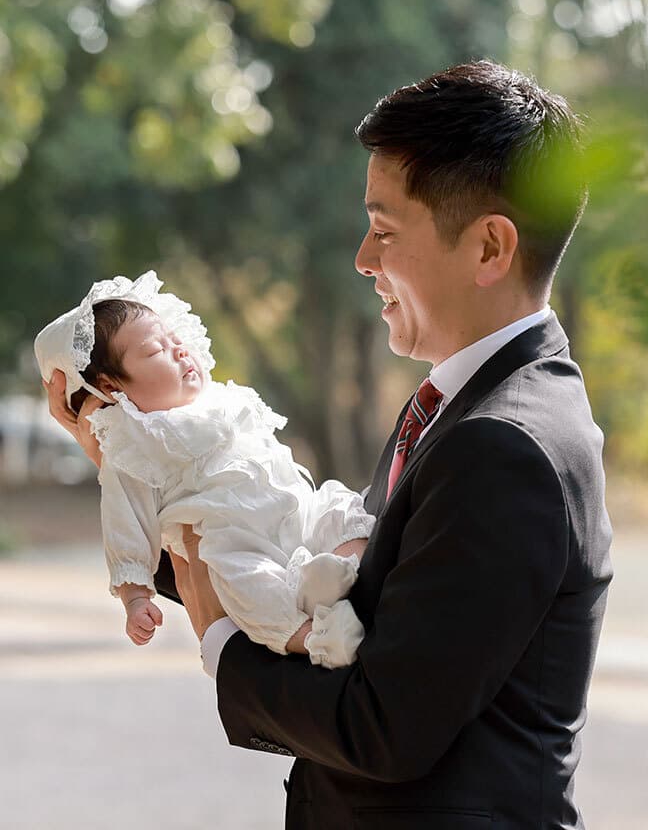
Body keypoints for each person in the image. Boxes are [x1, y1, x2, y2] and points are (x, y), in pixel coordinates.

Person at [46, 60, 613, 829]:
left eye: (384, 230)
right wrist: (140, 468)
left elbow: (382, 728)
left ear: (489, 249)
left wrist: (221, 642)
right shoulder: (467, 403)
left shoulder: (504, 443)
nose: (362, 259)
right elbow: (318, 574)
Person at [36, 272, 374, 668]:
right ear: (112, 388)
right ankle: (318, 638)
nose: (179, 351)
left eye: (175, 340)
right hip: (235, 540)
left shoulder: (219, 398)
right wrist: (135, 596)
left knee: (340, 502)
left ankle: (337, 568)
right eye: (155, 351)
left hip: (298, 511)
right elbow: (124, 521)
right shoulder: (132, 444)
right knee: (242, 587)